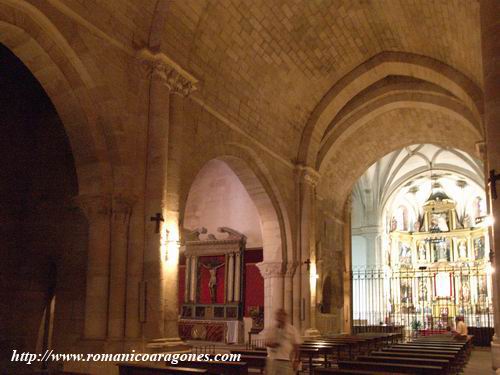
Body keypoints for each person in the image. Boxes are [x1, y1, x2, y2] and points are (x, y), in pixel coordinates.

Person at [265, 309, 302, 374]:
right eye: (278, 315)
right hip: (272, 360)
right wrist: (271, 344)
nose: (280, 317)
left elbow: (297, 346)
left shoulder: (292, 329)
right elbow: (266, 342)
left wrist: (296, 360)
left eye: (282, 315)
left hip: (286, 361)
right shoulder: (271, 329)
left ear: (285, 317)